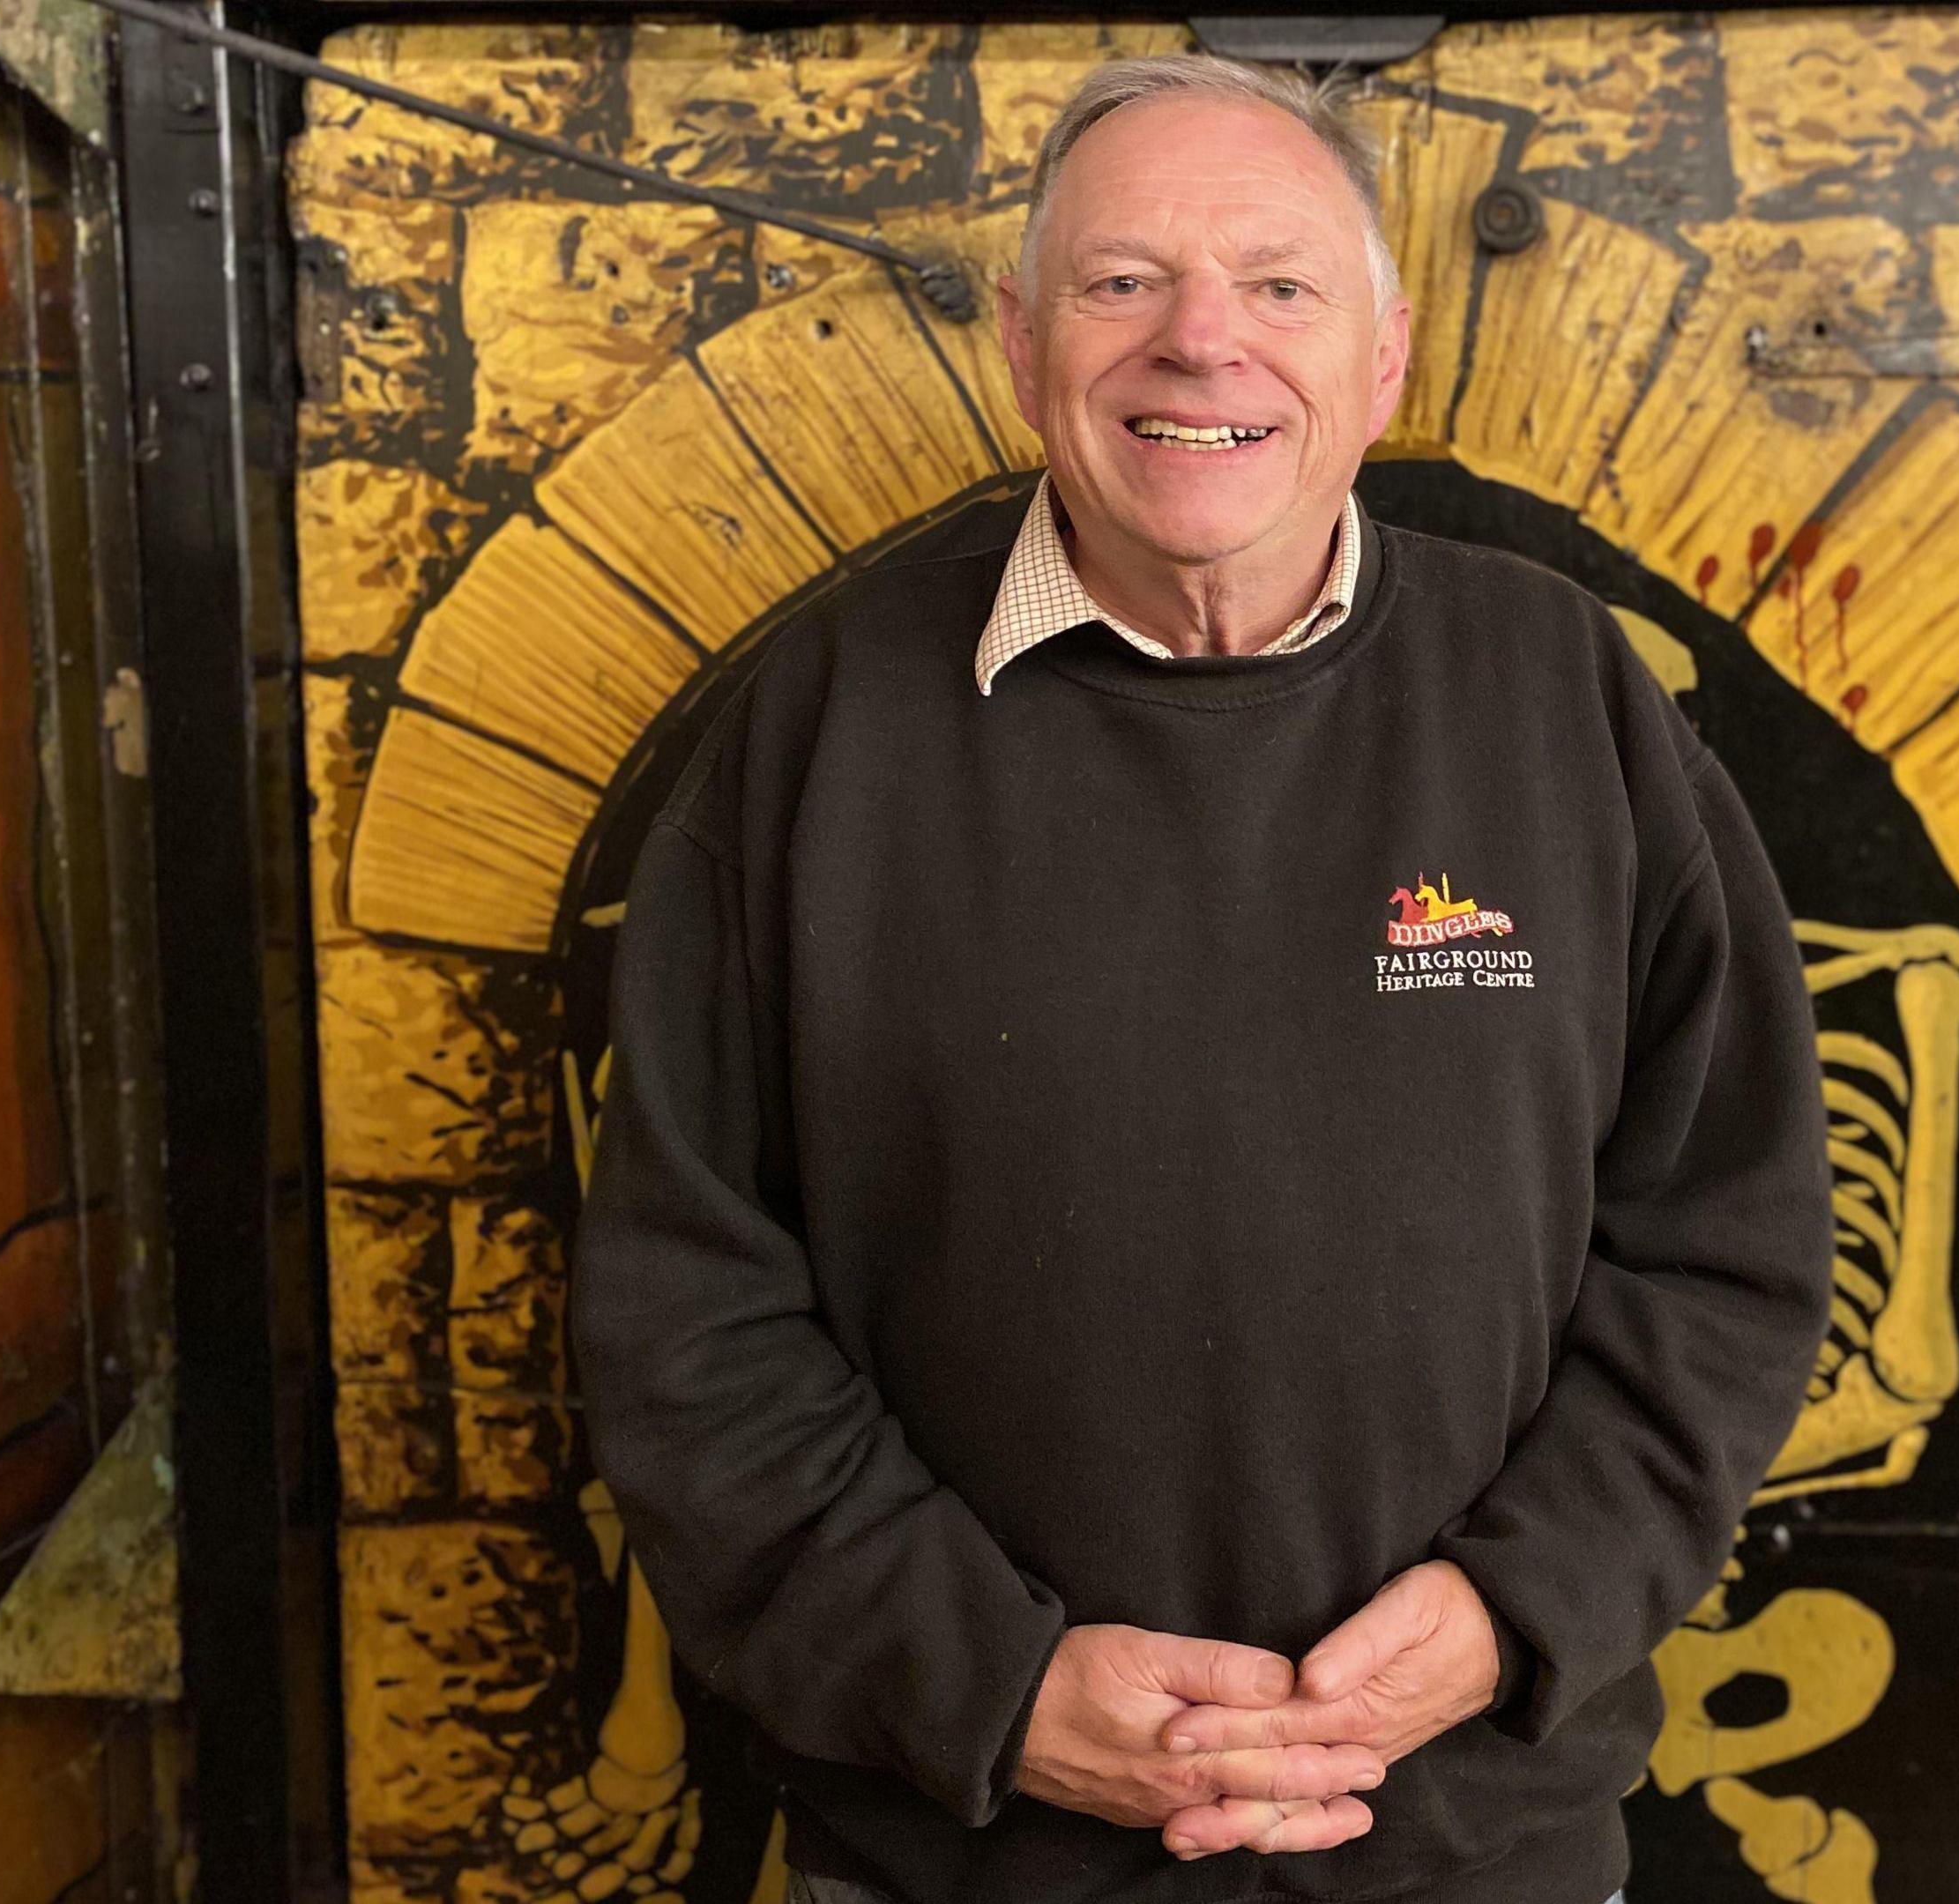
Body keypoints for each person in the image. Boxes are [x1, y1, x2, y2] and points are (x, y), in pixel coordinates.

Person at [570, 50, 1838, 1904]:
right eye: (1122, 282)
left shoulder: (1569, 703)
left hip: (1476, 1847)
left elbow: (1730, 1247)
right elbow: (686, 1315)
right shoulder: (816, 736)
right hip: (955, 1855)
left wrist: (1515, 1608)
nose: (1202, 343)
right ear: (1021, 345)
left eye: (1280, 284)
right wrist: (992, 1689)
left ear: (1382, 363)